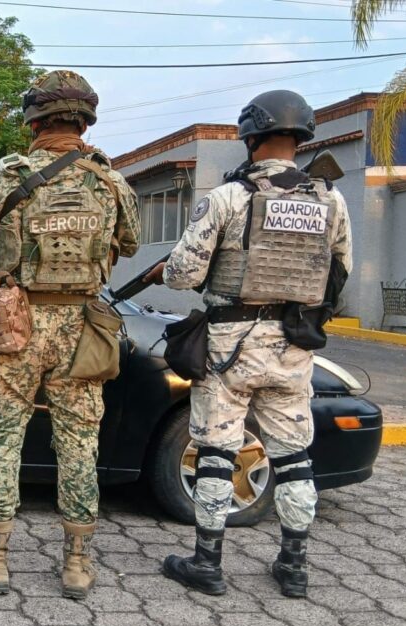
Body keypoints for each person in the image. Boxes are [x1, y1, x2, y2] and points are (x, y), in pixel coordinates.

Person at [144, 90, 353, 598]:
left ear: (251, 136)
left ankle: (207, 563)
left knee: (217, 451)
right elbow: (339, 272)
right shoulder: (331, 199)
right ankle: (294, 567)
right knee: (294, 457)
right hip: (293, 345)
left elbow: (184, 272)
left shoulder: (229, 197)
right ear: (300, 138)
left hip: (230, 344)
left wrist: (167, 271)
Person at [0, 70, 140, 599]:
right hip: (82, 329)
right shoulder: (111, 183)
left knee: (1, 439)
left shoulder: (4, 183)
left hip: (14, 327)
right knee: (80, 443)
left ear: (33, 121)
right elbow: (131, 243)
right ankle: (77, 565)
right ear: (85, 122)